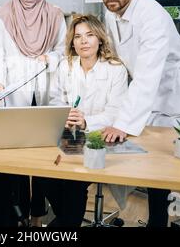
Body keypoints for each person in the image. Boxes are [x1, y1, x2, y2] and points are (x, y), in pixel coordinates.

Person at [95, 0, 180, 227]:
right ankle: (156, 219)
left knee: (166, 163)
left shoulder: (152, 15)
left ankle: (160, 221)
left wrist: (122, 123)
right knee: (150, 162)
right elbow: (116, 59)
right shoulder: (110, 11)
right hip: (145, 90)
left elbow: (148, 75)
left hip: (172, 90)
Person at [0, 0, 67, 226]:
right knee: (14, 161)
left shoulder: (55, 15)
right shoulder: (3, 16)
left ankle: (40, 217)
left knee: (44, 158)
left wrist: (49, 59)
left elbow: (64, 52)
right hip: (12, 95)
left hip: (46, 94)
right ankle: (16, 217)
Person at [42, 14, 128, 226]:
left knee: (73, 181)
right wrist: (64, 115)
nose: (83, 41)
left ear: (100, 39)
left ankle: (64, 224)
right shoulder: (65, 66)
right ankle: (67, 221)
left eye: (89, 35)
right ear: (72, 41)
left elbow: (116, 113)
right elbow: (55, 99)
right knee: (45, 177)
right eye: (78, 36)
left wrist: (85, 121)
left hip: (100, 138)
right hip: (69, 137)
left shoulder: (116, 69)